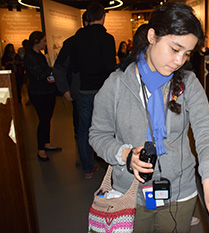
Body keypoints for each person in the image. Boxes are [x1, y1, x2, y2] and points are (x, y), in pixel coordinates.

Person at [89, 2, 209, 232]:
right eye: (175, 49)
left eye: (187, 53)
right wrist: (125, 154)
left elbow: (206, 131)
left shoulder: (188, 83)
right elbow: (98, 135)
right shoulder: (116, 85)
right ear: (152, 36)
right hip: (131, 194)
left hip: (180, 193)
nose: (180, 61)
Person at [71, 1, 116, 178]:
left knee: (84, 129)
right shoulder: (108, 38)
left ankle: (88, 169)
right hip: (105, 90)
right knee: (109, 129)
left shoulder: (78, 38)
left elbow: (74, 65)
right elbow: (110, 66)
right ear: (103, 17)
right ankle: (110, 165)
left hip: (85, 89)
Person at [24, 31, 61, 161]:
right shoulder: (29, 56)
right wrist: (50, 69)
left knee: (47, 119)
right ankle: (40, 149)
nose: (45, 44)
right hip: (38, 93)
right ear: (36, 41)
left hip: (47, 91)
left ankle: (46, 143)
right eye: (44, 41)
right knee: (43, 120)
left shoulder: (39, 55)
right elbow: (38, 74)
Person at [53, 11, 89, 139]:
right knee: (82, 130)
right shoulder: (72, 43)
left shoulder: (101, 40)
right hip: (80, 92)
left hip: (92, 92)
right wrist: (65, 89)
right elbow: (59, 67)